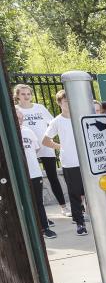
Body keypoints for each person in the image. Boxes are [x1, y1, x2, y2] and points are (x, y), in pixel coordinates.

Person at [14, 84, 69, 216]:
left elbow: (53, 123)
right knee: (30, 180)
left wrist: (54, 141)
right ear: (17, 96)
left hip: (45, 147)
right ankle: (39, 212)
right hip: (28, 150)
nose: (26, 96)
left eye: (28, 94)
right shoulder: (15, 109)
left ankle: (63, 207)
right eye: (23, 94)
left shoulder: (40, 108)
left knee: (52, 177)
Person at [42, 90, 87, 236]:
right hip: (70, 162)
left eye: (70, 100)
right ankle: (80, 223)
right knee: (74, 194)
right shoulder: (57, 121)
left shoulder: (80, 117)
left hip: (85, 161)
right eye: (66, 101)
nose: (69, 103)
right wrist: (61, 146)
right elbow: (45, 141)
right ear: (60, 103)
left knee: (88, 192)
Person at [17, 108, 56, 239]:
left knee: (38, 202)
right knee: (22, 203)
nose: (20, 120)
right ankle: (26, 230)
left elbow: (37, 149)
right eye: (17, 118)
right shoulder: (9, 134)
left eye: (21, 118)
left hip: (34, 173)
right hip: (19, 175)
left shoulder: (28, 131)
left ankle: (45, 228)